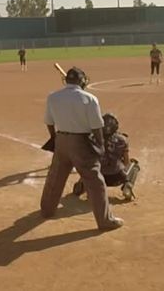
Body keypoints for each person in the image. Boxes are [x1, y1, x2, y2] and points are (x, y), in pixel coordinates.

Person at [41, 67, 124, 231]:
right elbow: (97, 127)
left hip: (61, 140)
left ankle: (47, 210)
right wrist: (100, 145)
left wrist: (55, 138)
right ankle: (105, 221)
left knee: (55, 177)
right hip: (81, 142)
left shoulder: (53, 97)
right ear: (81, 81)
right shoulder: (90, 99)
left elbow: (49, 122)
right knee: (94, 181)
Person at [72, 113, 140, 201]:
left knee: (89, 163)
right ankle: (127, 187)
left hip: (97, 178)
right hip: (117, 178)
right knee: (134, 165)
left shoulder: (93, 139)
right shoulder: (123, 139)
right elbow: (126, 162)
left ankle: (82, 185)